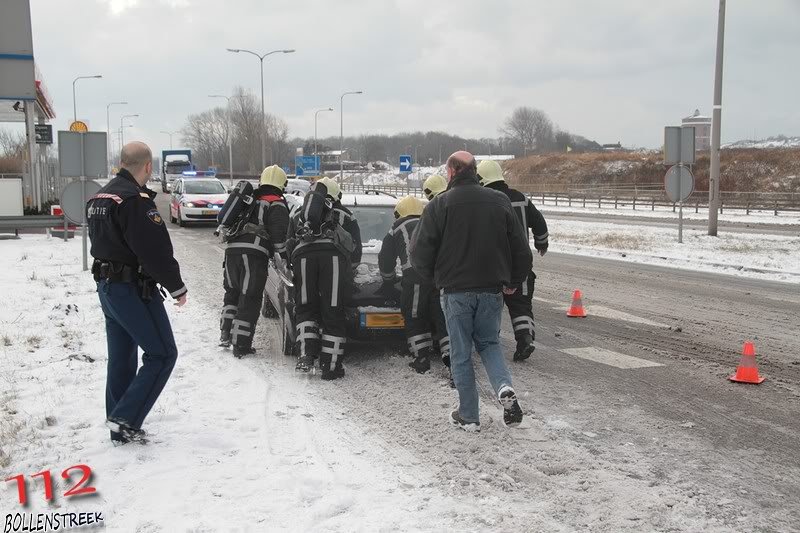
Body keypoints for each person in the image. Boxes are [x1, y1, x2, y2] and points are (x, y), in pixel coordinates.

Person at [411, 151, 532, 432]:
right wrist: (513, 280)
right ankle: (504, 387)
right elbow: (521, 250)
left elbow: (418, 253)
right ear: (474, 171)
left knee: (461, 352)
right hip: (492, 290)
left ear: (451, 172)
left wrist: (435, 278)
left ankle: (469, 415)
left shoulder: (439, 205)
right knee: (489, 344)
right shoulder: (500, 201)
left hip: (455, 292)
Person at [86, 141, 187, 445]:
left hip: (107, 288)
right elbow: (153, 250)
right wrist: (176, 287)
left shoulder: (100, 197)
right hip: (131, 290)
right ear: (147, 167)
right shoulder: (134, 200)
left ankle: (118, 419)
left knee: (122, 357)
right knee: (162, 353)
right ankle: (125, 419)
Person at [287, 177, 360, 380]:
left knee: (305, 307)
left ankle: (306, 356)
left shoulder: (299, 214)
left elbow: (288, 244)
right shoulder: (345, 215)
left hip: (302, 258)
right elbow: (356, 250)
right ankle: (331, 366)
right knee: (333, 310)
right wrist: (348, 274)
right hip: (334, 260)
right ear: (337, 195)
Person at [477, 159, 549, 361]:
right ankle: (525, 339)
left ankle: (490, 344)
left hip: (494, 267)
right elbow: (539, 222)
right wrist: (542, 244)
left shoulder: (486, 201)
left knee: (491, 306)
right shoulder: (520, 198)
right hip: (522, 264)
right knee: (521, 306)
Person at [219, 165, 290, 357]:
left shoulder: (248, 199)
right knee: (249, 298)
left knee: (232, 293)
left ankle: (225, 333)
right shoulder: (276, 204)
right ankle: (241, 345)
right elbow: (279, 241)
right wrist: (285, 259)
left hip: (232, 252)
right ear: (282, 185)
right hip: (254, 256)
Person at [378, 196, 443, 374]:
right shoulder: (432, 224)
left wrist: (389, 280)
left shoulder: (396, 229)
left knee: (414, 316)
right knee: (441, 316)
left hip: (414, 279)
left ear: (399, 213)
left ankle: (421, 358)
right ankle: (451, 359)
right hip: (439, 279)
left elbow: (386, 260)